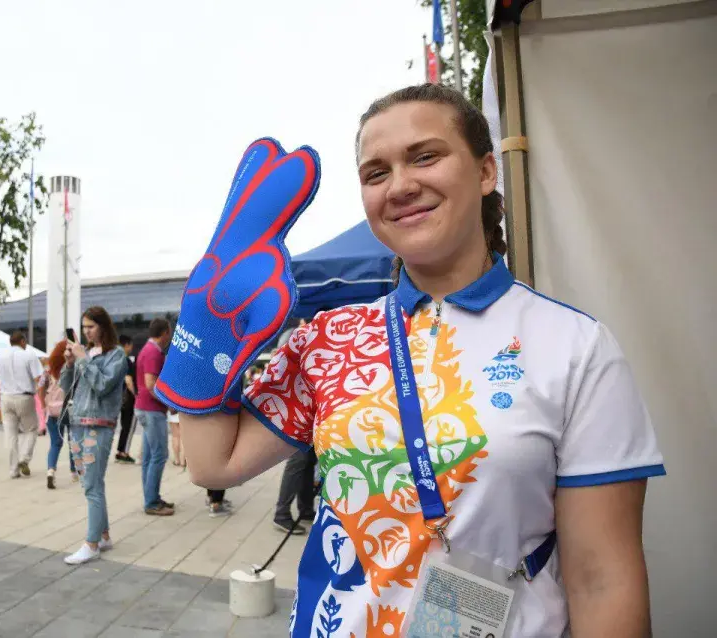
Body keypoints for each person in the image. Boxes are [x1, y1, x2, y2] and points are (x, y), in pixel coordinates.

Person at [170, 85, 665, 637]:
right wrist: (204, 331)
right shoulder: (329, 337)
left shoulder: (575, 346)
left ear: (484, 173)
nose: (400, 186)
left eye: (425, 156)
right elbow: (214, 465)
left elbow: (602, 580)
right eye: (375, 173)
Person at [60, 306, 128, 565]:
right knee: (91, 483)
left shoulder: (117, 355)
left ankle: (91, 543)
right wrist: (69, 364)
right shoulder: (85, 353)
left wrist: (82, 359)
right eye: (84, 327)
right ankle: (104, 535)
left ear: (103, 326)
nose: (86, 332)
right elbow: (67, 388)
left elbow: (102, 385)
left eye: (91, 326)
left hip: (99, 424)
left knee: (91, 485)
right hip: (77, 422)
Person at [0, 331, 43, 479]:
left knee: (10, 435)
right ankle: (24, 459)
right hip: (25, 397)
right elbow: (39, 378)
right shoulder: (29, 355)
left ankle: (13, 470)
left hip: (5, 397)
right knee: (31, 429)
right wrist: (42, 396)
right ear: (23, 341)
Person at [135, 318, 175, 516]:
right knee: (159, 455)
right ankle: (151, 502)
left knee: (150, 456)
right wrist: (169, 404)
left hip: (144, 408)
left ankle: (151, 497)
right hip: (152, 410)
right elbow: (151, 384)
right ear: (165, 332)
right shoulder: (153, 352)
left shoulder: (147, 350)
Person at [39, 340, 78, 489]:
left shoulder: (48, 370)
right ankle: (74, 472)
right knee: (72, 441)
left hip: (52, 411)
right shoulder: (72, 367)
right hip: (69, 409)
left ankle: (50, 471)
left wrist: (43, 405)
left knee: (55, 442)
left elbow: (41, 387)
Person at [272, 448, 317, 535]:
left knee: (309, 460)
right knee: (298, 459)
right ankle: (281, 515)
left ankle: (306, 510)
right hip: (299, 434)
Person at [114, 334, 137, 464]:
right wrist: (136, 394)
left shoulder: (115, 359)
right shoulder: (126, 360)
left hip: (118, 398)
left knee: (124, 426)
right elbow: (128, 380)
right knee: (128, 426)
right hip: (127, 399)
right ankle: (124, 452)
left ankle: (119, 450)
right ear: (126, 345)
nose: (131, 348)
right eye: (131, 345)